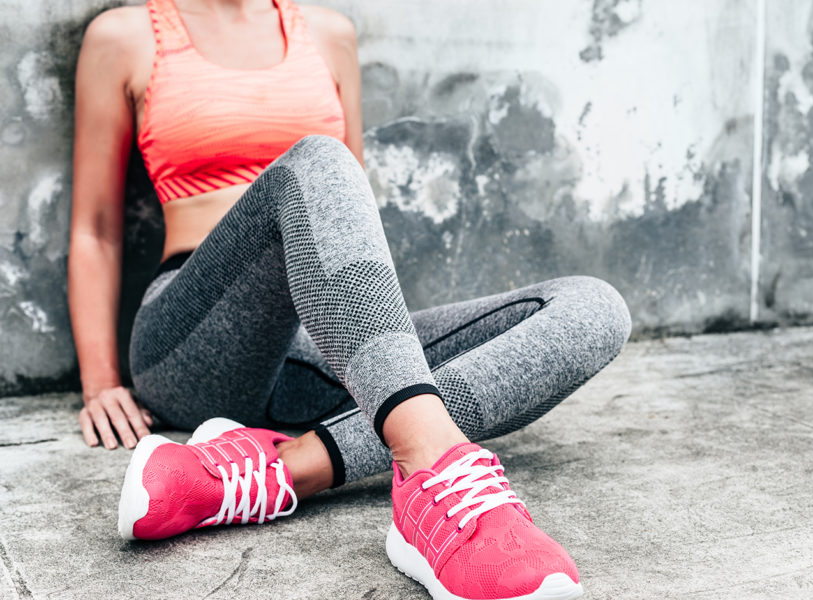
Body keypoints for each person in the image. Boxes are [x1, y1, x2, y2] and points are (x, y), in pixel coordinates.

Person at [68, 1, 631, 598]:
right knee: (317, 160)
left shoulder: (330, 34)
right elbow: (95, 229)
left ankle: (283, 470)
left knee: (593, 309)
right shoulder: (125, 36)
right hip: (198, 338)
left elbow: (348, 209)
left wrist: (377, 344)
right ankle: (430, 466)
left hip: (320, 341)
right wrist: (100, 381)